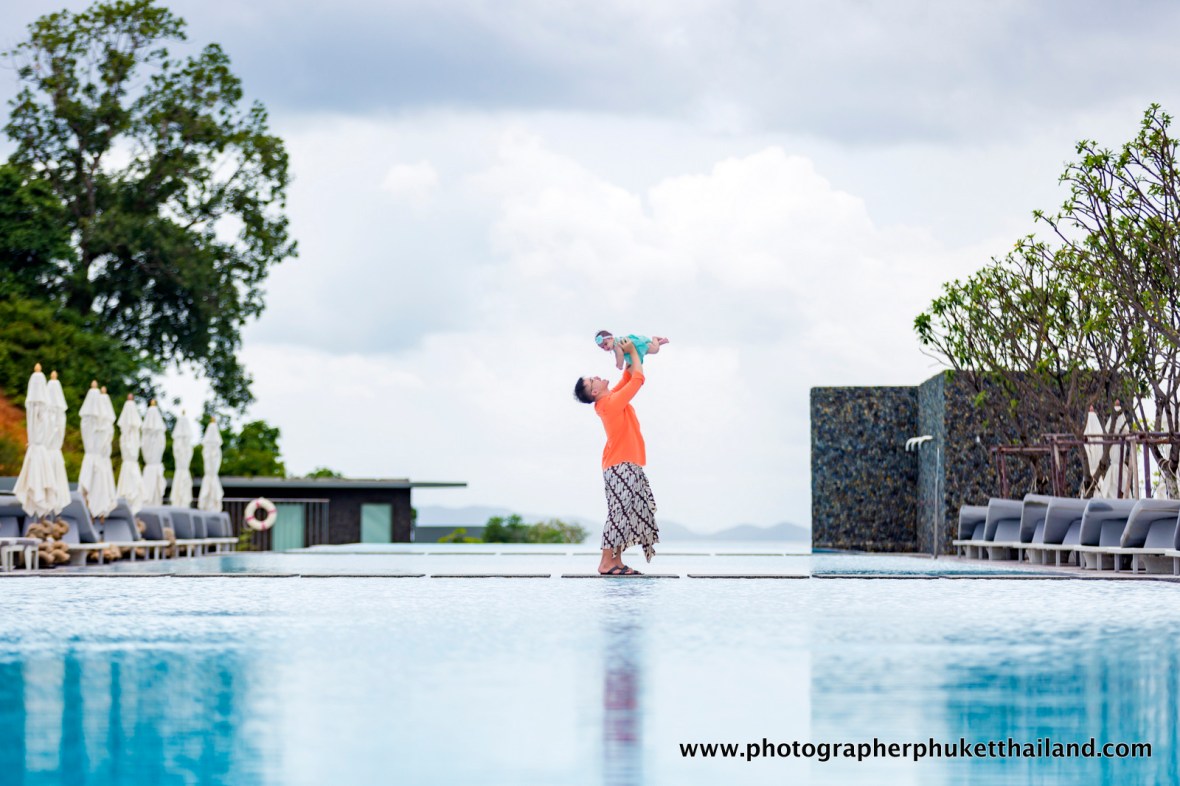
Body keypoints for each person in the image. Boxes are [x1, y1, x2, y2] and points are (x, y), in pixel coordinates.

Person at [574, 337, 659, 575]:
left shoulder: (608, 400)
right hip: (620, 465)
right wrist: (630, 350)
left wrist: (636, 353)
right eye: (593, 380)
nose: (597, 377)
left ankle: (616, 561)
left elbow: (629, 376)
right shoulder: (609, 404)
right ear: (594, 391)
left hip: (624, 463)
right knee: (618, 513)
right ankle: (605, 562)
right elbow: (638, 380)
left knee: (625, 513)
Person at [595, 330, 669, 371]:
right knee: (651, 349)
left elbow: (620, 355)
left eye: (605, 344)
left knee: (655, 350)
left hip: (640, 345)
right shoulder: (615, 346)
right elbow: (617, 355)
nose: (605, 347)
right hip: (638, 348)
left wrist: (620, 365)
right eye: (602, 347)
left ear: (611, 338)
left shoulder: (617, 345)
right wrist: (617, 362)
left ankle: (655, 338)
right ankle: (659, 342)